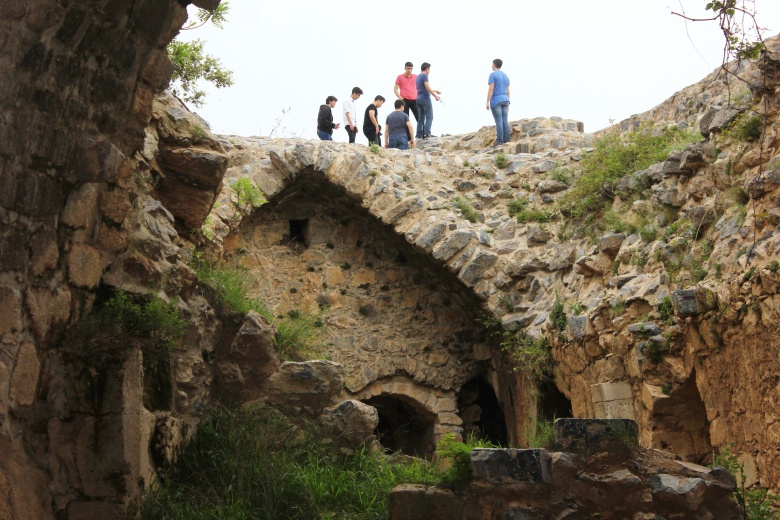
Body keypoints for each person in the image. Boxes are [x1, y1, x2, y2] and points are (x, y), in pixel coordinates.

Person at [486, 58, 511, 146]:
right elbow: (508, 91)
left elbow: (491, 89)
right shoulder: (506, 76)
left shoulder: (492, 75)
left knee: (499, 120)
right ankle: (507, 139)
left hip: (496, 100)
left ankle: (499, 140)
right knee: (505, 119)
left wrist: (487, 102)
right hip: (505, 99)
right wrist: (508, 103)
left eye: (492, 64)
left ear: (494, 65)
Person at [415, 62, 441, 140]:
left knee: (421, 118)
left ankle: (419, 134)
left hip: (418, 98)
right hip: (425, 99)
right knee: (429, 116)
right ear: (427, 69)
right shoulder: (425, 75)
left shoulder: (418, 76)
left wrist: (434, 90)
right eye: (429, 69)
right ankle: (427, 133)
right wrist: (435, 95)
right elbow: (427, 86)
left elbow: (422, 88)